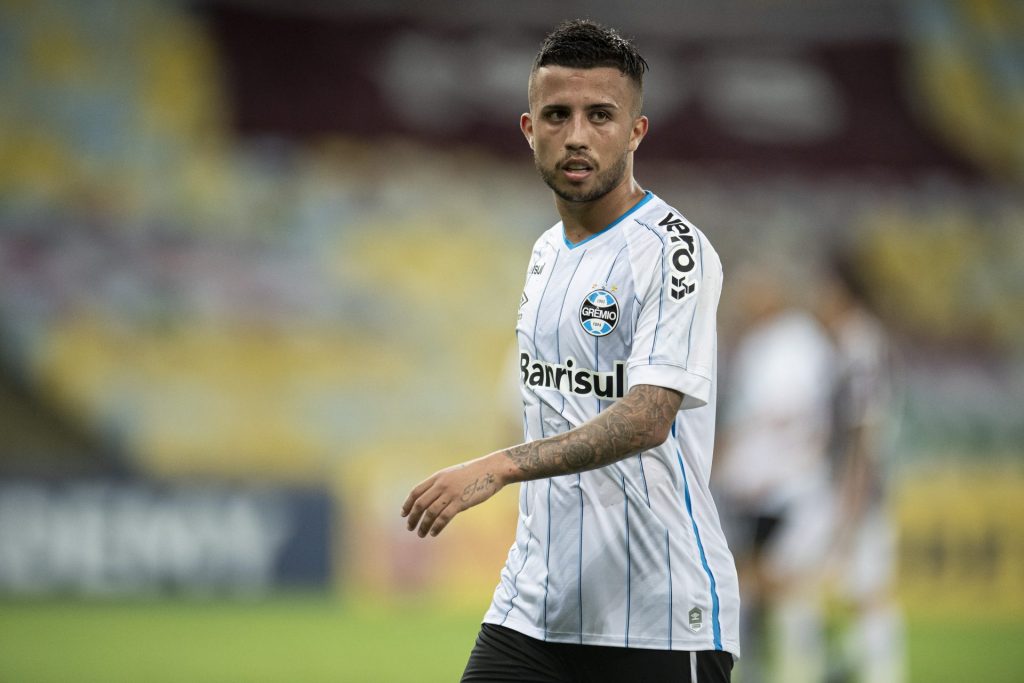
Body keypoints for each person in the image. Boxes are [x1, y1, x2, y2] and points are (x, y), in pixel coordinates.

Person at [401, 20, 739, 682]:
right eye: (557, 114)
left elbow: (648, 416)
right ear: (529, 129)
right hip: (532, 611)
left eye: (601, 115)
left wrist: (500, 466)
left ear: (636, 131)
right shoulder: (544, 253)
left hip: (658, 618)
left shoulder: (673, 250)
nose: (577, 135)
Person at [712, 263, 836, 683]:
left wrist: (738, 451)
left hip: (790, 486)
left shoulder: (796, 343)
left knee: (780, 583)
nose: (747, 302)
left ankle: (803, 667)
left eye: (755, 292)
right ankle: (760, 667)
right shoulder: (760, 343)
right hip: (755, 486)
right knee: (752, 583)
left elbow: (785, 414)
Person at [815, 253, 906, 683]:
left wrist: (852, 496)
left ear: (841, 293)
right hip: (850, 484)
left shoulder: (859, 343)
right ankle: (852, 664)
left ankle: (880, 672)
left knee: (867, 591)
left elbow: (865, 427)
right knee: (857, 591)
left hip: (859, 486)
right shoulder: (852, 341)